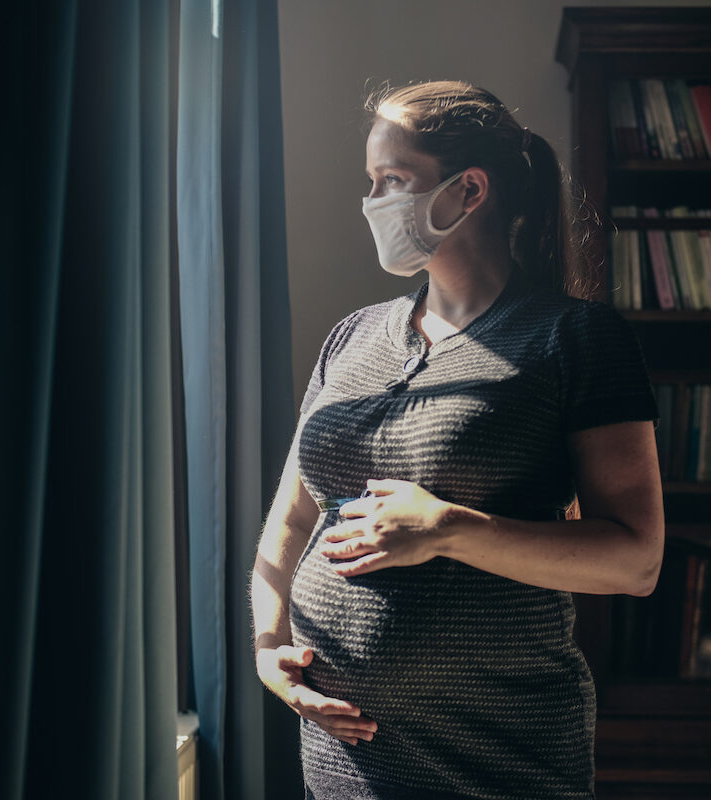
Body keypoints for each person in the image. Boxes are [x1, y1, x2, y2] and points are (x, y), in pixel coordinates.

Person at [250, 80, 664, 800]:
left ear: (469, 191)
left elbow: (635, 560)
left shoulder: (575, 338)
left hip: (497, 766)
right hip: (343, 769)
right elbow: (293, 518)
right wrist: (268, 645)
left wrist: (449, 528)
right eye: (370, 181)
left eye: (393, 180)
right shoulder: (350, 339)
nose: (372, 201)